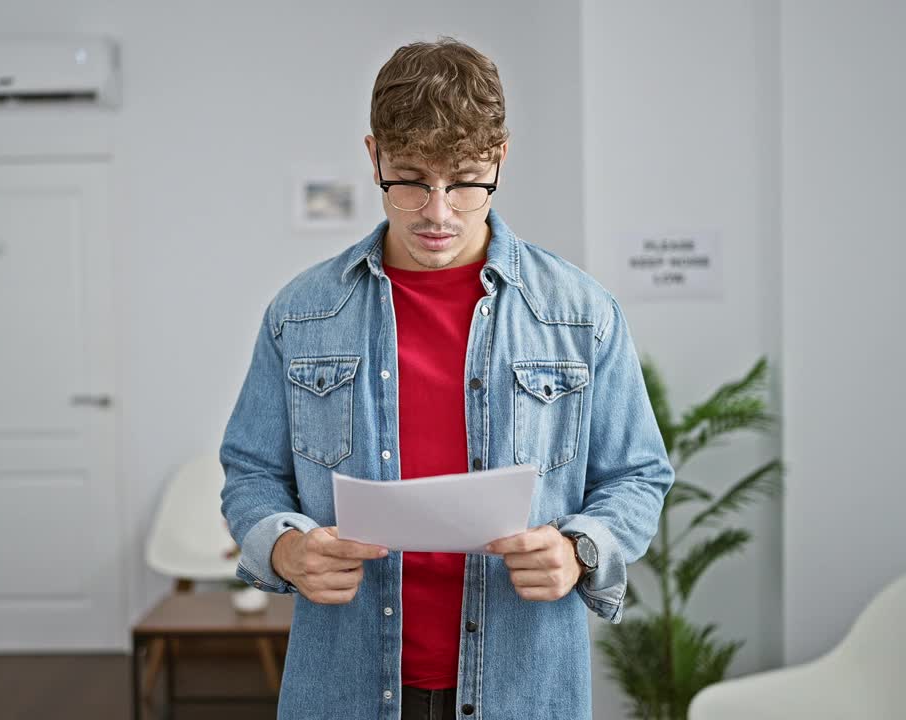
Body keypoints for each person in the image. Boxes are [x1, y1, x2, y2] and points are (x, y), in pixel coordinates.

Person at [219, 36, 674, 720]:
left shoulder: (582, 316)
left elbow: (639, 475)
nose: (438, 211)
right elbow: (251, 472)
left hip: (522, 688)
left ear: (501, 159)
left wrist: (582, 549)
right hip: (346, 688)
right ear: (373, 157)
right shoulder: (302, 315)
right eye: (410, 179)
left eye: (464, 180)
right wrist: (285, 550)